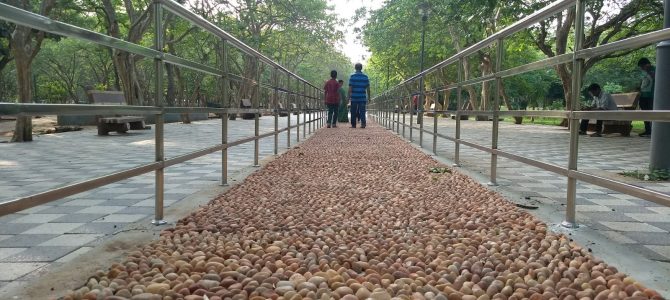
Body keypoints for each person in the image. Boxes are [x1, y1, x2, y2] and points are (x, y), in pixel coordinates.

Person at [348, 63, 371, 128]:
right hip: (362, 97)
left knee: (353, 111)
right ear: (361, 68)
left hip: (354, 97)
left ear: (355, 68)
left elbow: (350, 89)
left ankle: (353, 125)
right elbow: (368, 89)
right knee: (362, 111)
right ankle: (363, 124)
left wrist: (348, 98)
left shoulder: (352, 77)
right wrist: (369, 97)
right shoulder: (365, 77)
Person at [637, 57, 655, 137]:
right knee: (645, 113)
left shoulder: (655, 69)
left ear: (647, 64)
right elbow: (643, 82)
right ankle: (648, 130)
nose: (642, 69)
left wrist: (650, 72)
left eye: (642, 66)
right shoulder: (644, 72)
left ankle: (654, 131)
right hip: (643, 95)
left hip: (651, 95)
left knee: (652, 112)